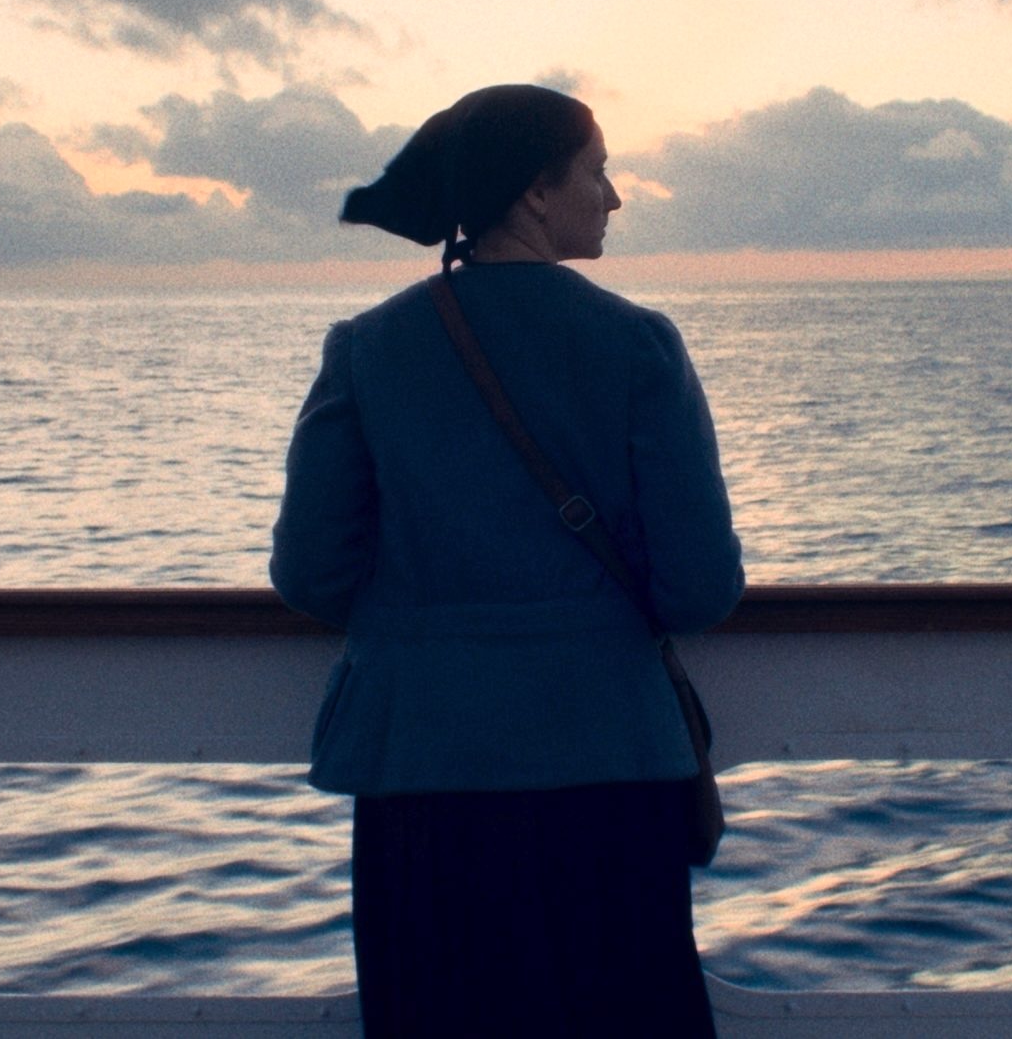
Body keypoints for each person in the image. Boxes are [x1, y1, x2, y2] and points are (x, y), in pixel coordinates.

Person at [272, 83, 745, 1037]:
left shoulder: (368, 348)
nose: (614, 197)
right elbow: (698, 588)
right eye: (597, 172)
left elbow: (310, 572)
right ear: (535, 192)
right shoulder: (639, 346)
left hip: (423, 776)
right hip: (608, 767)